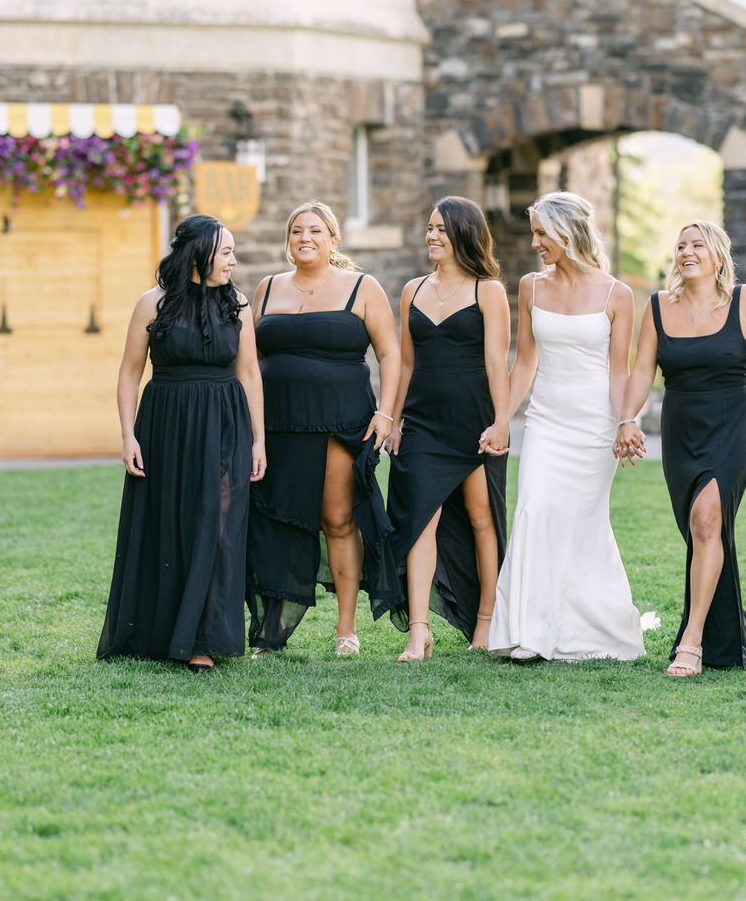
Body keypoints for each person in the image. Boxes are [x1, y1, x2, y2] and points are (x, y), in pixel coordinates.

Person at [614, 221, 746, 676]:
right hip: (681, 429)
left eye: (697, 244)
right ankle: (731, 621)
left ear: (718, 255)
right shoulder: (658, 307)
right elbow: (642, 371)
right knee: (700, 531)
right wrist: (628, 419)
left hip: (729, 425)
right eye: (680, 245)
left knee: (708, 520)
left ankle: (693, 639)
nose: (686, 251)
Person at [98, 214, 266, 673]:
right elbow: (130, 372)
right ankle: (164, 632)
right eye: (226, 252)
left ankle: (202, 639)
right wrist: (129, 434)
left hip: (226, 422)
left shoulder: (238, 304)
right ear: (200, 254)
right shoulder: (152, 304)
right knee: (171, 522)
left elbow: (249, 373)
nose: (233, 260)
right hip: (166, 423)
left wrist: (259, 441)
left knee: (218, 523)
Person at [488, 191, 645, 662]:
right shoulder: (531, 287)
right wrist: (502, 421)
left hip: (595, 427)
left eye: (541, 233)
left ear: (567, 232)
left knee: (582, 524)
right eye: (534, 232)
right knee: (535, 510)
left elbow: (620, 371)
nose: (535, 242)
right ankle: (529, 633)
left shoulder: (618, 294)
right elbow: (525, 362)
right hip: (546, 422)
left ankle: (588, 629)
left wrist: (626, 421)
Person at [247, 201, 401, 656]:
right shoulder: (267, 288)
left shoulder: (363, 287)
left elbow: (390, 354)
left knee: (337, 518)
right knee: (275, 520)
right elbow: (251, 359)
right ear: (288, 240)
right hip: (277, 422)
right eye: (297, 231)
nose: (305, 238)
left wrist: (387, 413)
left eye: (316, 230)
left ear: (334, 240)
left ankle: (346, 630)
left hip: (340, 419)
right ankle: (269, 633)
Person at [385, 196, 511, 659]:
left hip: (474, 423)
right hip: (421, 424)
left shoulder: (488, 291)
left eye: (441, 229)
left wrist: (501, 422)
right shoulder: (412, 290)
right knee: (419, 523)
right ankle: (418, 630)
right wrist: (394, 420)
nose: (432, 236)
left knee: (482, 520)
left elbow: (497, 362)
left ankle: (486, 618)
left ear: (464, 234)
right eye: (430, 228)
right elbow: (405, 361)